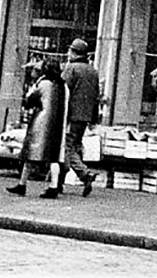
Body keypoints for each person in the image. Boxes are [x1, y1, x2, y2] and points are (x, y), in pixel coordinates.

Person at [8, 58, 65, 198]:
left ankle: (22, 184)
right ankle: (54, 186)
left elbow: (30, 100)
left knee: (30, 154)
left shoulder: (43, 83)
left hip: (41, 123)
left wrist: (32, 90)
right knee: (53, 157)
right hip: (57, 123)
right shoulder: (62, 85)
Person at [60, 37, 102, 197]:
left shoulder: (71, 69)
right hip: (85, 117)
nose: (67, 53)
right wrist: (93, 118)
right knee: (75, 146)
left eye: (70, 50)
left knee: (66, 147)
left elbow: (62, 91)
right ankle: (58, 182)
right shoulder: (93, 71)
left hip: (71, 115)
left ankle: (85, 174)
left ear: (74, 53)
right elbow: (96, 96)